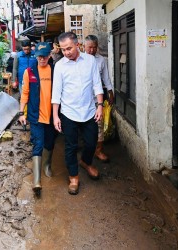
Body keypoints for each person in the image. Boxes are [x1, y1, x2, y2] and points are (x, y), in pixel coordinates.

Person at [51, 32, 104, 195]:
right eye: (63, 49)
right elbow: (56, 92)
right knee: (71, 146)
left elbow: (96, 83)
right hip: (68, 112)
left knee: (91, 142)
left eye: (69, 48)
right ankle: (73, 177)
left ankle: (86, 162)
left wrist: (100, 105)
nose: (66, 52)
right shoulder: (60, 66)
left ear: (78, 45)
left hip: (89, 110)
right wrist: (55, 115)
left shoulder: (90, 61)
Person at [18, 42, 57, 195]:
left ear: (49, 55)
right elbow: (25, 93)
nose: (42, 59)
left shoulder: (54, 70)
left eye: (45, 56)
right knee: (38, 143)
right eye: (39, 56)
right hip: (35, 115)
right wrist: (22, 113)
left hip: (52, 115)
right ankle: (37, 180)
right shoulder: (29, 71)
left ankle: (47, 165)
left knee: (50, 142)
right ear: (36, 56)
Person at [84, 35, 114, 162]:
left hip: (97, 100)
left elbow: (106, 78)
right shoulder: (79, 59)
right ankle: (87, 150)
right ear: (83, 46)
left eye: (94, 47)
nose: (92, 50)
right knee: (85, 126)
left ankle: (98, 150)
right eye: (89, 47)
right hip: (83, 100)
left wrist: (110, 91)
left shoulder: (101, 60)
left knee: (99, 125)